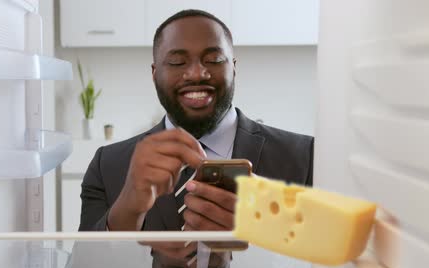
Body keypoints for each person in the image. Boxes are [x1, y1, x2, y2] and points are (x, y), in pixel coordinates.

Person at [78, 9, 313, 233]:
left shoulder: (304, 157)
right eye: (177, 63)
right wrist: (128, 207)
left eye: (214, 59)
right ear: (154, 73)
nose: (196, 73)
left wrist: (272, 224)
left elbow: (333, 263)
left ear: (233, 68)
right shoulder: (107, 165)